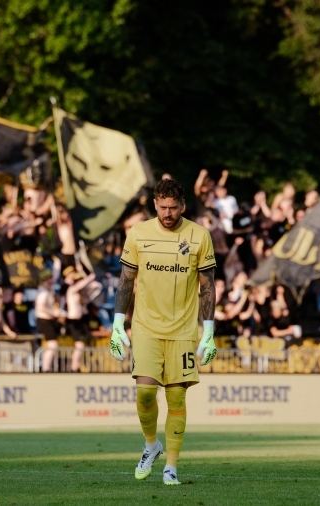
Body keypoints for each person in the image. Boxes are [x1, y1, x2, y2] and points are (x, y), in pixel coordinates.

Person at [110, 178, 217, 486]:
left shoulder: (199, 236)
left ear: (181, 206)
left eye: (173, 208)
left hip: (183, 330)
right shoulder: (139, 234)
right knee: (144, 393)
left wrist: (208, 331)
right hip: (145, 327)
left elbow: (208, 287)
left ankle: (171, 465)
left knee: (176, 399)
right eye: (163, 207)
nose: (168, 213)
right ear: (154, 204)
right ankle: (150, 445)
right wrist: (118, 324)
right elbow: (126, 281)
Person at [62, 266, 96, 372]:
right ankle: (73, 368)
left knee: (80, 346)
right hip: (72, 321)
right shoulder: (71, 290)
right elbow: (83, 284)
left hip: (79, 321)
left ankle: (76, 367)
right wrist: (90, 277)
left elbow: (95, 287)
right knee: (79, 345)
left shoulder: (80, 295)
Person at [35, 269, 61, 372]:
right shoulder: (43, 292)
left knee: (53, 345)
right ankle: (45, 369)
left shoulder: (48, 291)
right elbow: (41, 306)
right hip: (44, 320)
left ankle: (48, 367)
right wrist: (53, 313)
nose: (53, 279)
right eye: (51, 278)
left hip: (48, 320)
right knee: (53, 345)